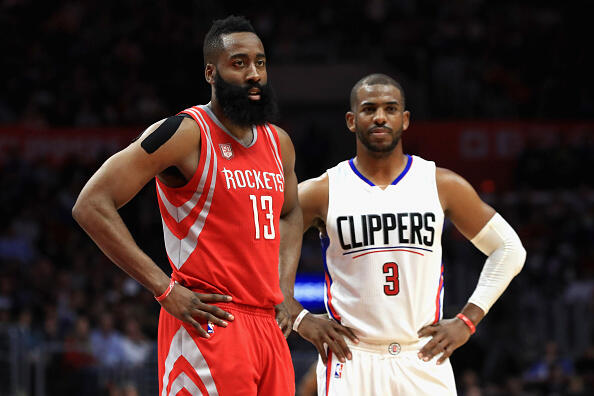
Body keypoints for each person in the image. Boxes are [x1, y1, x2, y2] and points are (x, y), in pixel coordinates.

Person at [72, 15, 302, 396]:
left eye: (260, 62)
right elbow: (91, 204)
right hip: (209, 322)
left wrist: (285, 287)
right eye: (239, 63)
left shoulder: (279, 143)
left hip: (268, 326)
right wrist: (164, 289)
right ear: (211, 73)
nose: (254, 74)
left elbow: (292, 212)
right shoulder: (185, 133)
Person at [280, 73, 526, 395]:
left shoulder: (441, 184)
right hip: (352, 357)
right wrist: (299, 318)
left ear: (405, 119)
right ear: (351, 121)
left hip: (422, 354)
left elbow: (509, 248)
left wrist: (467, 320)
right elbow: (259, 251)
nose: (380, 117)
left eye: (390, 109)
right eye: (369, 109)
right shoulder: (321, 191)